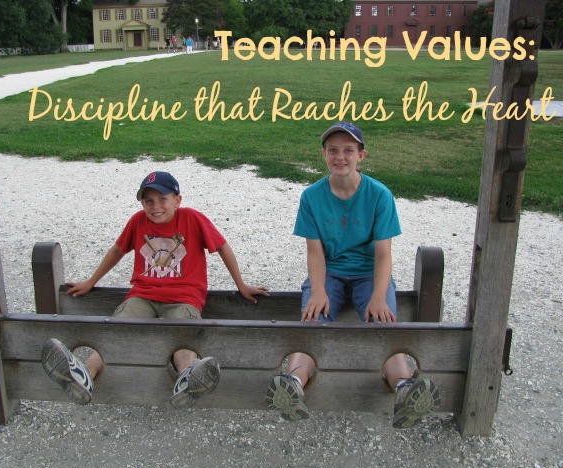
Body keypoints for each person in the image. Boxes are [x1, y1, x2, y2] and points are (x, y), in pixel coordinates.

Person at [264, 122, 441, 428]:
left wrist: (377, 296)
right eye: (333, 150)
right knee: (311, 320)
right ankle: (292, 384)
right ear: (323, 154)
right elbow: (315, 252)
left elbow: (383, 254)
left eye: (348, 150)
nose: (340, 156)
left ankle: (405, 389)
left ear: (362, 155)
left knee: (383, 324)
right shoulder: (311, 197)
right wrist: (318, 290)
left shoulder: (379, 195)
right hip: (330, 272)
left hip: (368, 273)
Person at [41, 171, 268, 409]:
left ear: (177, 200)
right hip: (144, 295)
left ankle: (188, 377)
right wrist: (91, 281)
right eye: (148, 200)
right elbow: (118, 250)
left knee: (183, 335)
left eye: (162, 199)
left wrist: (240, 284)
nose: (155, 206)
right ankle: (84, 373)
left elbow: (222, 247)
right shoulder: (138, 221)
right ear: (141, 203)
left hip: (183, 297)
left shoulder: (192, 219)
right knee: (119, 328)